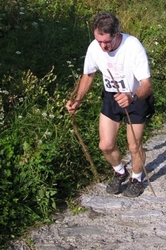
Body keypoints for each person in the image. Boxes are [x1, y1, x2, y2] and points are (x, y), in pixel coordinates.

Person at [66, 12, 154, 198]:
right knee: (105, 145)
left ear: (117, 33)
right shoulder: (95, 47)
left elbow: (147, 85)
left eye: (107, 42)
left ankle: (137, 179)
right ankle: (120, 172)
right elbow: (88, 75)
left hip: (135, 99)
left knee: (134, 146)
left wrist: (131, 96)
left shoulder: (133, 47)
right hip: (111, 97)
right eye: (99, 41)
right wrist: (77, 100)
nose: (103, 46)